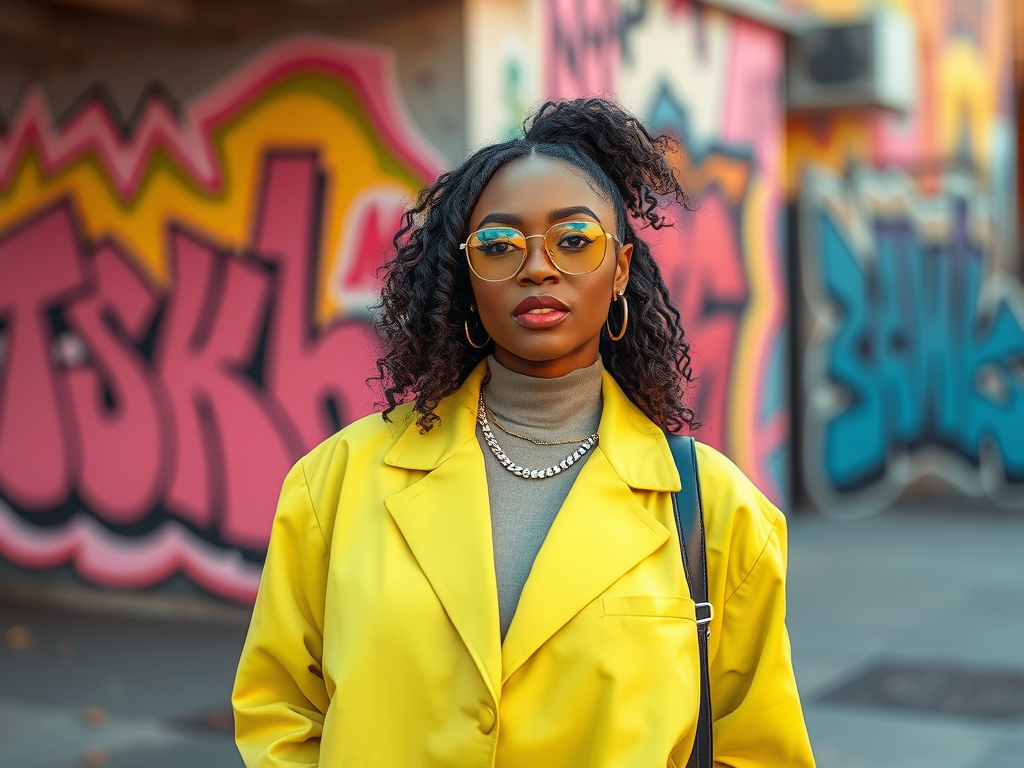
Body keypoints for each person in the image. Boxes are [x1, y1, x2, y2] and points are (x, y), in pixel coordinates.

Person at [232, 98, 815, 768]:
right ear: (466, 278)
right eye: (499, 245)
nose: (538, 267)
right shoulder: (333, 482)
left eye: (574, 240)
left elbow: (758, 752)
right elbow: (279, 712)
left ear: (621, 268)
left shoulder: (716, 512)